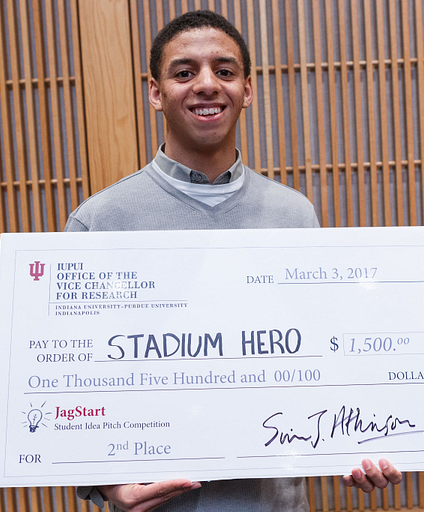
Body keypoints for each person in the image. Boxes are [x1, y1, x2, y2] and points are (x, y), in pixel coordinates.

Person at [66, 10, 402, 511]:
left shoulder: (293, 214)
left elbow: (323, 359)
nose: (206, 85)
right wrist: (107, 484)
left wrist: (361, 442)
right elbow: (72, 378)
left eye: (224, 71)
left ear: (247, 89)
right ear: (156, 93)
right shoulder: (99, 221)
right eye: (184, 73)